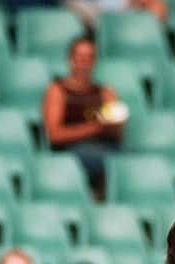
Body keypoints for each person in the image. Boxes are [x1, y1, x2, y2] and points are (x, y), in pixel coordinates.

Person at [42, 35, 125, 196]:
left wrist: (109, 126)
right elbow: (54, 135)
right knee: (99, 159)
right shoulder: (57, 91)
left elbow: (117, 128)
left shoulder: (105, 92)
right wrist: (94, 128)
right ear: (70, 59)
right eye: (80, 57)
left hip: (107, 147)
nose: (84, 63)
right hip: (73, 150)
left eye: (89, 57)